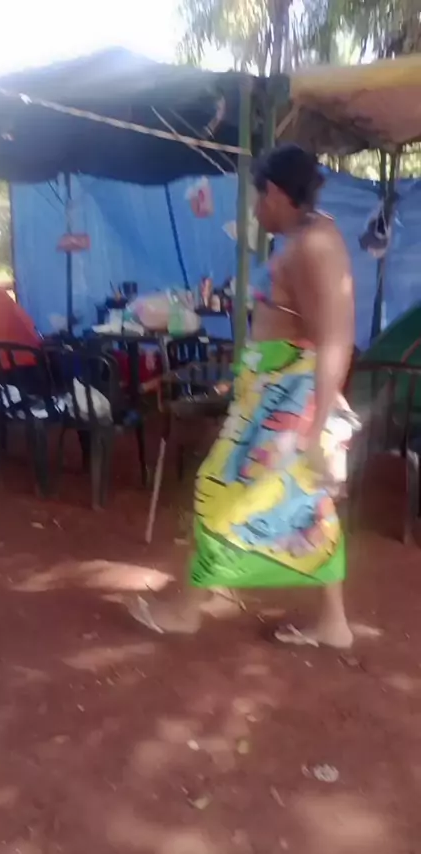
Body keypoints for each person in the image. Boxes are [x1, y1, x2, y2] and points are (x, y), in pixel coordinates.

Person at [129, 144, 357, 649]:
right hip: (276, 391)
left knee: (219, 488)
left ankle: (187, 611)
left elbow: (336, 338)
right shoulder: (307, 236)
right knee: (309, 505)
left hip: (288, 402)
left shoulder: (314, 245)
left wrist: (316, 427)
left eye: (256, 199)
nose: (254, 210)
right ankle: (334, 623)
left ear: (273, 191)